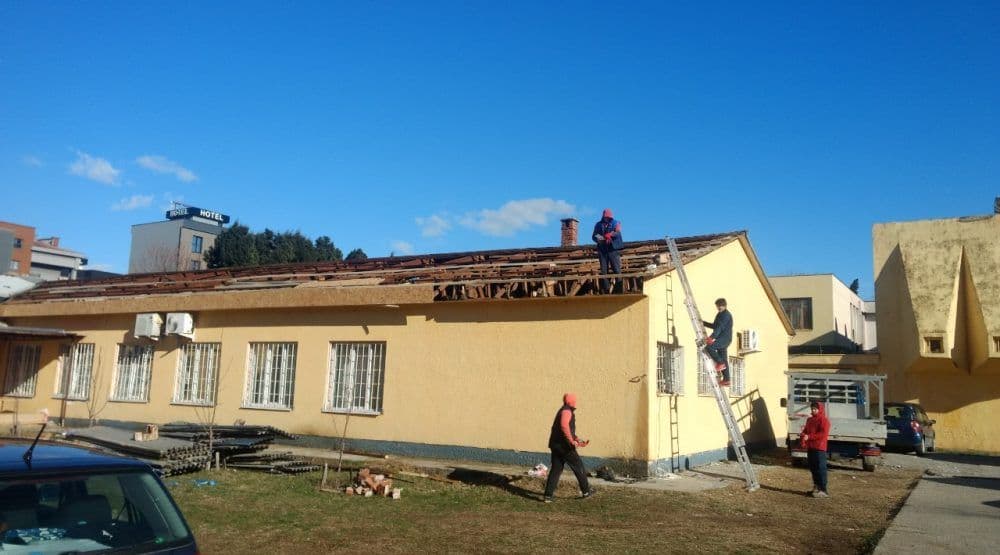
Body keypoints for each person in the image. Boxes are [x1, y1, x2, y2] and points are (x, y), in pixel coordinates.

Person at [543, 393, 593, 502]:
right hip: (564, 447)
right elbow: (564, 425)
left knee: (556, 469)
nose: (576, 402)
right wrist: (571, 441)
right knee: (579, 467)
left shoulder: (563, 410)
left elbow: (566, 430)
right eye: (574, 400)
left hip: (556, 445)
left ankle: (548, 496)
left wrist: (577, 439)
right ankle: (586, 492)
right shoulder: (567, 411)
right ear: (571, 401)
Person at [800, 400, 831, 497]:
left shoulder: (824, 420)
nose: (813, 410)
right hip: (811, 447)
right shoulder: (810, 420)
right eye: (812, 409)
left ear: (820, 409)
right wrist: (803, 436)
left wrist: (809, 437)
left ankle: (823, 490)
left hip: (819, 448)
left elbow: (822, 434)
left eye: (815, 409)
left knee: (820, 468)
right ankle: (816, 487)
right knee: (813, 468)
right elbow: (805, 430)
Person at [592, 209, 623, 293]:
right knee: (604, 270)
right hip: (603, 249)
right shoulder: (598, 225)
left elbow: (618, 233)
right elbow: (594, 236)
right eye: (606, 217)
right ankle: (606, 288)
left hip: (613, 249)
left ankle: (619, 289)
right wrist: (601, 239)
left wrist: (610, 235)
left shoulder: (616, 223)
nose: (607, 219)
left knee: (616, 269)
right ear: (603, 217)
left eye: (609, 217)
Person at [703, 298, 733, 386]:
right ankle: (727, 380)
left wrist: (712, 337)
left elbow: (719, 328)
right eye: (717, 306)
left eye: (720, 306)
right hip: (721, 338)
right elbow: (715, 326)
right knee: (724, 359)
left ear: (724, 306)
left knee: (709, 347)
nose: (719, 308)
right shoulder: (719, 314)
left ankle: (720, 363)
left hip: (725, 339)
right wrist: (704, 323)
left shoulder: (726, 315)